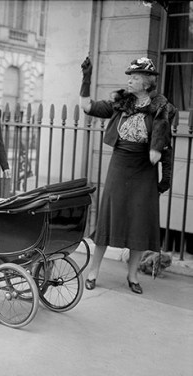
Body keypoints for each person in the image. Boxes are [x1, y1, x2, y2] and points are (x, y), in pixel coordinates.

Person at [79, 57, 174, 294]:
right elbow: (87, 107)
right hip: (119, 166)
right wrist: (86, 78)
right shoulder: (121, 104)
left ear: (146, 83)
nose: (129, 81)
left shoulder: (162, 110)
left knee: (139, 225)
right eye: (129, 77)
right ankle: (93, 272)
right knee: (108, 220)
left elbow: (165, 147)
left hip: (144, 171)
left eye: (134, 78)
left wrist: (166, 178)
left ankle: (132, 276)